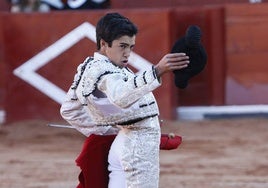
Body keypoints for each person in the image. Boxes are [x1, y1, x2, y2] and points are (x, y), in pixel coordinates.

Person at [60, 12, 189, 188]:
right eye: (122, 46)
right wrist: (157, 71)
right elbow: (120, 95)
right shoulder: (107, 72)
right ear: (104, 44)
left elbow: (69, 109)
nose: (128, 53)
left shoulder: (89, 67)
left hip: (122, 143)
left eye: (131, 47)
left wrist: (111, 131)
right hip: (137, 148)